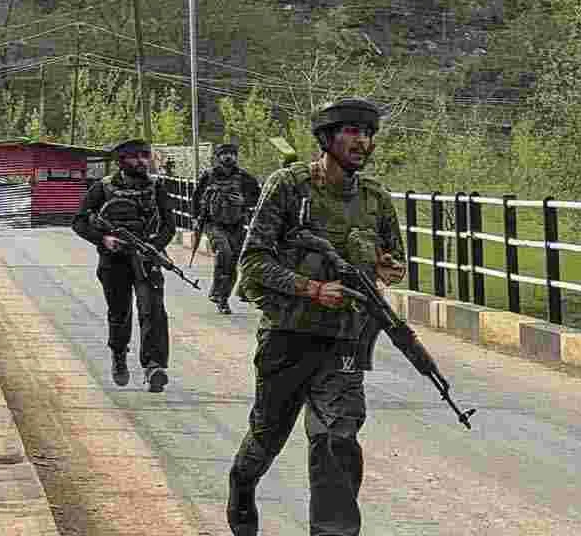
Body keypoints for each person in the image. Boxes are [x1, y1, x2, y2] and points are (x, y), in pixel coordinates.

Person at [226, 97, 407, 536]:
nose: (362, 142)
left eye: (368, 134)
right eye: (351, 132)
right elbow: (253, 261)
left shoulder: (376, 199)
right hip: (288, 336)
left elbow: (396, 260)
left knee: (336, 439)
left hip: (344, 339)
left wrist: (388, 268)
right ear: (327, 138)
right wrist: (312, 289)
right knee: (267, 435)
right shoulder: (288, 186)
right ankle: (242, 484)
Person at [72, 138, 176, 392]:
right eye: (135, 156)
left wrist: (153, 247)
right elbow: (79, 222)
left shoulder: (156, 187)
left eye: (145, 155)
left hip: (147, 260)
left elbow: (169, 226)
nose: (142, 161)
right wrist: (104, 240)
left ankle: (154, 366)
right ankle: (119, 354)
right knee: (120, 313)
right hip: (114, 261)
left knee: (153, 311)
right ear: (121, 160)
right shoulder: (103, 187)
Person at [190, 143, 261, 314]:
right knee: (224, 252)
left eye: (232, 153)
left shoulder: (244, 177)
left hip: (236, 225)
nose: (228, 157)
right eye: (224, 153)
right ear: (218, 157)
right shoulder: (208, 176)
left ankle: (223, 298)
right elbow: (196, 197)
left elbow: (258, 197)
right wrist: (195, 219)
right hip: (213, 224)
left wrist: (243, 202)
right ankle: (217, 292)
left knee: (233, 262)